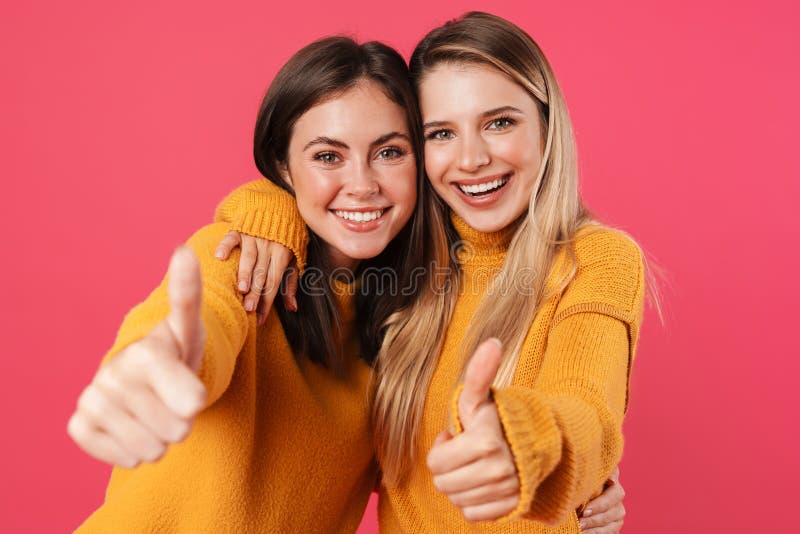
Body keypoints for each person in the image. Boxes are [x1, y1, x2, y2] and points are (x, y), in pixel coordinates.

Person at [219, 11, 642, 533]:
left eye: (500, 122)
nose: (471, 158)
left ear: (547, 125)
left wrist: (531, 451)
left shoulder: (598, 259)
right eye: (441, 133)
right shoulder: (404, 264)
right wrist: (270, 209)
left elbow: (589, 412)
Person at [67, 36, 427, 532]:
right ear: (283, 166)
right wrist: (163, 359)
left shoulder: (412, 324)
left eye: (389, 152)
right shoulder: (243, 257)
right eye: (327, 156)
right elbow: (204, 315)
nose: (363, 184)